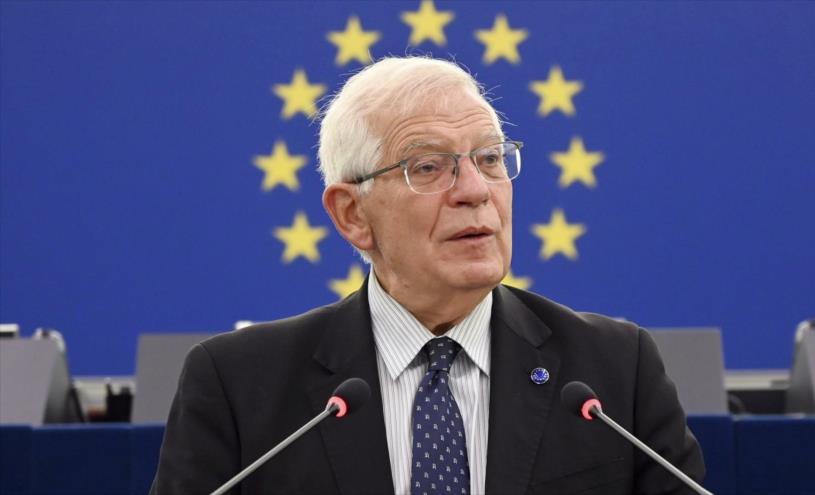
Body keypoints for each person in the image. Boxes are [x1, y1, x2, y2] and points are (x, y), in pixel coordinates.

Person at [151, 56, 704, 495]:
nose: (475, 190)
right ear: (352, 215)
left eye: (489, 158)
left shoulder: (613, 373)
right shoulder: (238, 386)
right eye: (428, 167)